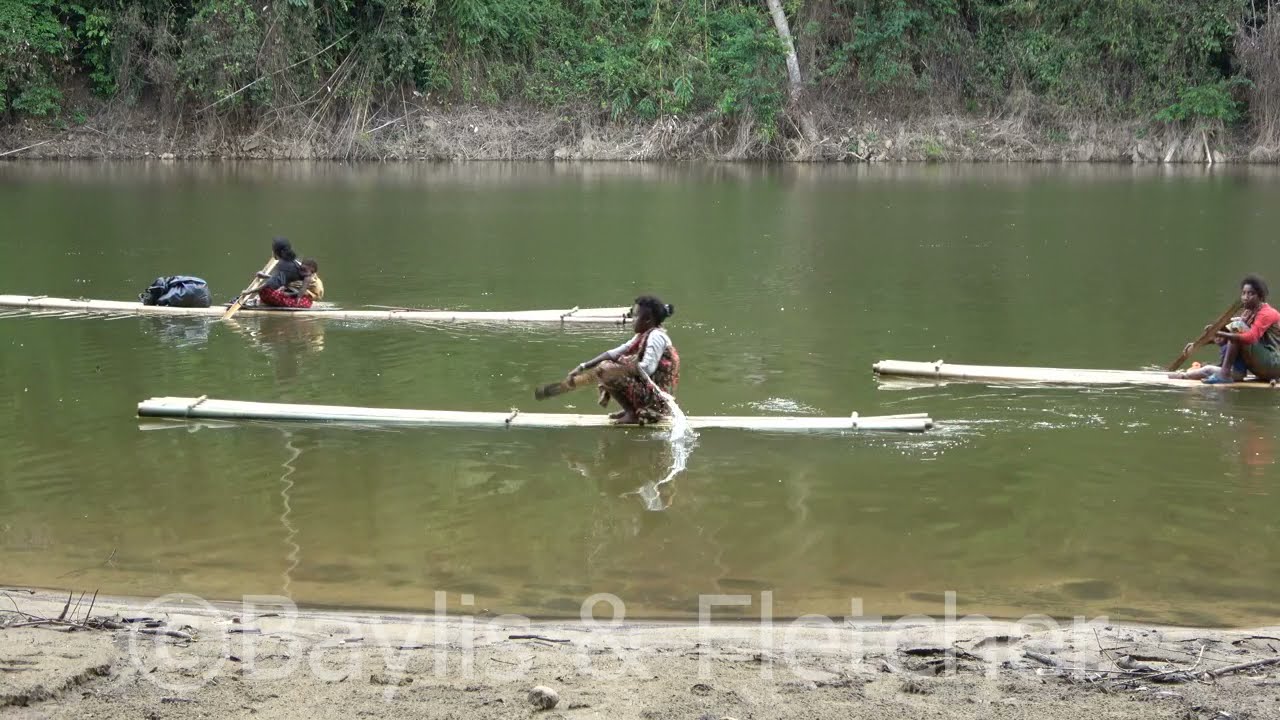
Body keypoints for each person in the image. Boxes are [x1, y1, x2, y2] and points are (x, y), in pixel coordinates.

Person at [571, 295, 679, 425]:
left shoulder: (656, 336)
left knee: (607, 370)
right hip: (649, 393)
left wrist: (618, 369)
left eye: (635, 316)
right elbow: (614, 353)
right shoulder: (642, 335)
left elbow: (648, 368)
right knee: (605, 367)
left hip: (657, 399)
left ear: (647, 320)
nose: (632, 320)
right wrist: (583, 366)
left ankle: (633, 414)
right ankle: (631, 410)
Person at [1198, 275, 1280, 384]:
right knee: (1235, 329)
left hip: (1274, 364)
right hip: (1261, 366)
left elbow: (1250, 338)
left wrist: (1219, 332)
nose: (1245, 297)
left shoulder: (1267, 313)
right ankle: (1233, 373)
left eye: (1251, 294)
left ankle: (1224, 374)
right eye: (1244, 293)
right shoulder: (1248, 314)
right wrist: (1199, 344)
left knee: (1237, 328)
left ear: (1260, 297)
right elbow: (1224, 339)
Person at [256, 237, 309, 309]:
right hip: (301, 296)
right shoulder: (292, 262)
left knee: (264, 291)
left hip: (301, 300)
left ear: (276, 252)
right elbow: (281, 279)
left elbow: (273, 283)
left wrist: (249, 291)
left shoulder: (283, 264)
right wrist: (264, 276)